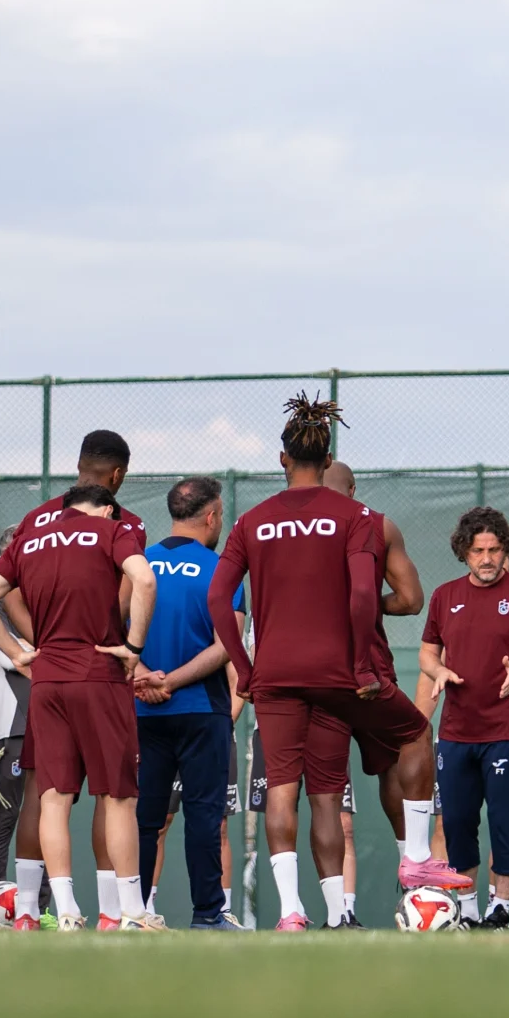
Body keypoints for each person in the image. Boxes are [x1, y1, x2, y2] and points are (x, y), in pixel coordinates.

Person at [208, 396, 393, 930]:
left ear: (283, 459)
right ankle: (339, 914)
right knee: (328, 798)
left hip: (276, 675)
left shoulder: (252, 521)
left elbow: (220, 600)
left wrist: (244, 666)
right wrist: (361, 664)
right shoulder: (356, 516)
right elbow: (363, 595)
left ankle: (291, 911)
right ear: (328, 456)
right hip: (336, 675)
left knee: (282, 791)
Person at [0, 483, 157, 929]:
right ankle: (130, 912)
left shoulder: (29, 540)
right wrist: (133, 646)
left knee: (52, 799)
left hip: (48, 680)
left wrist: (17, 655)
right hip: (99, 674)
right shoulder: (111, 531)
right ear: (107, 509)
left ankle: (67, 912)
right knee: (117, 799)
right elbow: (145, 580)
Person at [321, 458, 466, 921]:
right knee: (405, 748)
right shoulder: (373, 525)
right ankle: (414, 863)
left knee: (317, 793)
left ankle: (318, 911)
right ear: (355, 488)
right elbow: (410, 599)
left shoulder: (282, 524)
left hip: (300, 667)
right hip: (367, 666)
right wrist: (362, 610)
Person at [417, 505, 509, 928]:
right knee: (458, 824)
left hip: (507, 733)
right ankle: (464, 910)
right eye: (479, 550)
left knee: (506, 821)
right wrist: (439, 670)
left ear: (507, 551)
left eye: (495, 549)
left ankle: (500, 908)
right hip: (456, 733)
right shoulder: (445, 596)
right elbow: (427, 653)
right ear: (464, 552)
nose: (487, 558)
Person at [132, 475, 240, 930]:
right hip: (201, 710)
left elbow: (113, 636)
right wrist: (173, 682)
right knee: (203, 816)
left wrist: (144, 677)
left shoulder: (139, 565)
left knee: (141, 818)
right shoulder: (222, 569)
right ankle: (207, 914)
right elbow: (226, 646)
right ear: (212, 515)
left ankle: (132, 911)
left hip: (141, 709)